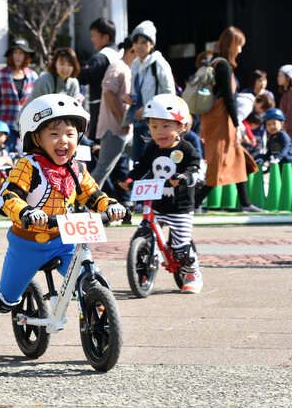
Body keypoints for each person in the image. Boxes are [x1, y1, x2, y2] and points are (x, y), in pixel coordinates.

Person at [0, 93, 126, 319]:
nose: (63, 141)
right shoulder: (28, 166)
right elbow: (6, 195)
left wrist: (110, 206)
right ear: (37, 138)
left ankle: (100, 315)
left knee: (89, 279)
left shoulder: (77, 168)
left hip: (64, 240)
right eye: (54, 134)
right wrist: (25, 211)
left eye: (70, 134)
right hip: (27, 242)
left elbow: (92, 194)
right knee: (6, 301)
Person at [119, 94, 203, 293]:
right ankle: (144, 268)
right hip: (155, 204)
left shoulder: (186, 149)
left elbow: (194, 168)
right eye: (154, 126)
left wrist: (183, 177)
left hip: (179, 207)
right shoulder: (152, 148)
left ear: (181, 127)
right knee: (140, 236)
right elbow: (141, 167)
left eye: (166, 126)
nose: (159, 132)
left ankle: (192, 273)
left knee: (181, 247)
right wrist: (130, 180)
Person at [200, 26, 261, 212]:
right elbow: (228, 98)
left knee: (237, 159)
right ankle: (194, 201)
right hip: (222, 122)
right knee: (220, 162)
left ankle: (245, 203)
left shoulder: (215, 63)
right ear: (233, 45)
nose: (241, 50)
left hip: (215, 121)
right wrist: (237, 123)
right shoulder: (224, 66)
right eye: (240, 45)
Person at [124, 20, 176, 162]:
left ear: (151, 44)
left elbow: (170, 93)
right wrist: (129, 98)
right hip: (139, 121)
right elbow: (137, 93)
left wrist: (148, 107)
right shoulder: (135, 64)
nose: (139, 46)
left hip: (157, 122)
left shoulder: (159, 63)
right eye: (136, 42)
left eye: (143, 42)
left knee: (155, 161)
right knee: (138, 162)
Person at [92, 37, 136, 194]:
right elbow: (108, 93)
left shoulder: (128, 68)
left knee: (143, 161)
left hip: (125, 131)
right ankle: (83, 203)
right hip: (114, 129)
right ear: (132, 50)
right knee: (103, 169)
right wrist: (122, 120)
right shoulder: (118, 66)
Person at [0, 39, 38, 152]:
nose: (18, 56)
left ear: (26, 56)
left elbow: (36, 102)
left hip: (27, 127)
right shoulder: (0, 75)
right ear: (11, 55)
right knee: (6, 162)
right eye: (15, 53)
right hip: (6, 127)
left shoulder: (33, 76)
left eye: (21, 53)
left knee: (25, 162)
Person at [77, 17, 119, 141]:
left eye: (94, 36)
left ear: (105, 37)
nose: (92, 40)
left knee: (96, 146)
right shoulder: (119, 54)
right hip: (118, 108)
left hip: (101, 108)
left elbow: (83, 76)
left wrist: (72, 69)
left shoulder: (101, 58)